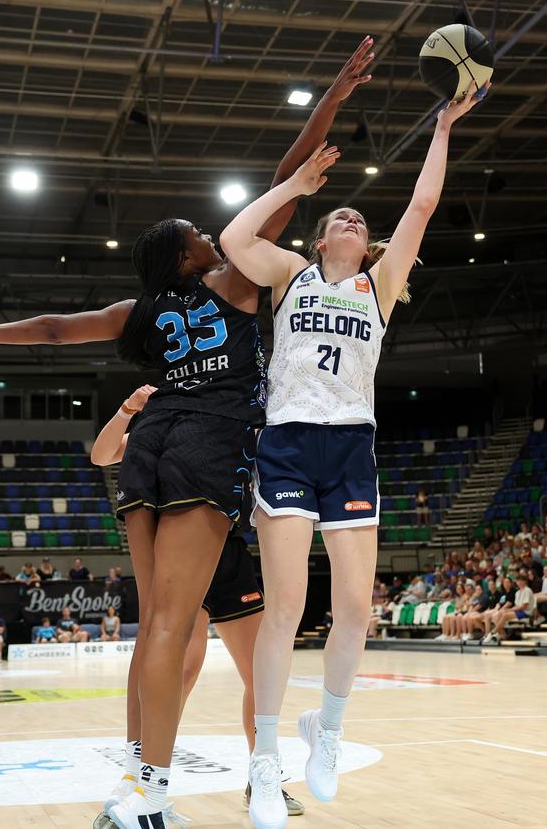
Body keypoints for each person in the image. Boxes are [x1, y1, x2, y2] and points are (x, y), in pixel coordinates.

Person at [0, 38, 377, 829]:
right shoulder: (232, 277)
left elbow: (52, 329)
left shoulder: (138, 311)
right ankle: (152, 795)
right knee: (186, 632)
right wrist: (332, 102)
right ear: (185, 254)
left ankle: (152, 785)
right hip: (211, 445)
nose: (209, 232)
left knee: (160, 631)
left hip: (151, 449)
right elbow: (286, 175)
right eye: (193, 231)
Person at [219, 79, 489, 828]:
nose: (347, 213)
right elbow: (233, 242)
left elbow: (423, 207)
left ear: (364, 245)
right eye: (336, 211)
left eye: (356, 216)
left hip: (351, 449)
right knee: (285, 611)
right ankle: (266, 762)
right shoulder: (289, 276)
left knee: (354, 611)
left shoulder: (380, 283)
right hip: (287, 444)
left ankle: (326, 732)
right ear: (317, 238)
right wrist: (295, 187)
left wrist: (441, 128)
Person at [91, 384, 304, 821]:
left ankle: (262, 773)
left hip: (227, 552)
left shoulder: (241, 425)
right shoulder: (167, 430)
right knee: (182, 666)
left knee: (260, 673)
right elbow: (102, 453)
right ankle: (143, 778)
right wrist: (129, 408)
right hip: (178, 553)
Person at [486, 574, 535, 643]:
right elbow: (516, 606)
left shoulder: (527, 590)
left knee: (505, 615)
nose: (519, 582)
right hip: (519, 611)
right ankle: (500, 634)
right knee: (501, 612)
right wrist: (507, 610)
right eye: (518, 581)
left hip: (526, 612)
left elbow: (524, 606)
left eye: (521, 581)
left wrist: (510, 610)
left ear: (525, 581)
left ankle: (492, 633)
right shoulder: (517, 592)